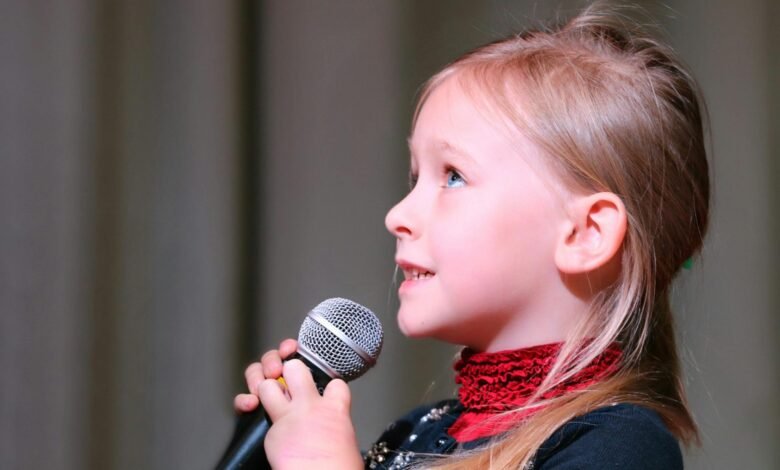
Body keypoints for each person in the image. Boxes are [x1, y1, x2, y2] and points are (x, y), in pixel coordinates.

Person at [233, 3, 710, 468]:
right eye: (414, 178)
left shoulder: (620, 446)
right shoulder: (416, 430)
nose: (397, 215)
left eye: (453, 176)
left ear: (585, 233)